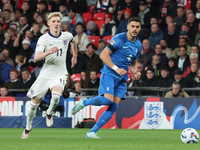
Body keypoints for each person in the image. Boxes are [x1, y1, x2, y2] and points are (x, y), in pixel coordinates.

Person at [71, 17, 142, 138]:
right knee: (107, 100)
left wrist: (135, 72)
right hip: (109, 73)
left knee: (114, 106)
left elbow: (134, 62)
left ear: (140, 28)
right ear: (128, 27)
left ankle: (92, 132)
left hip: (122, 78)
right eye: (133, 26)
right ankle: (85, 102)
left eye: (137, 27)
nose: (135, 29)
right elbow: (103, 55)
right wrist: (116, 68)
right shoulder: (119, 39)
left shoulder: (138, 45)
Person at [21, 12, 77, 139]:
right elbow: (36, 57)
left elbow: (73, 42)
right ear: (49, 24)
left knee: (56, 96)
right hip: (46, 74)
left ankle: (49, 112)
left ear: (61, 23)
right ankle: (28, 127)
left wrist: (74, 56)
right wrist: (49, 51)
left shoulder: (67, 36)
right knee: (33, 104)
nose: (56, 23)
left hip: (60, 72)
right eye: (54, 21)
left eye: (58, 21)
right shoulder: (43, 39)